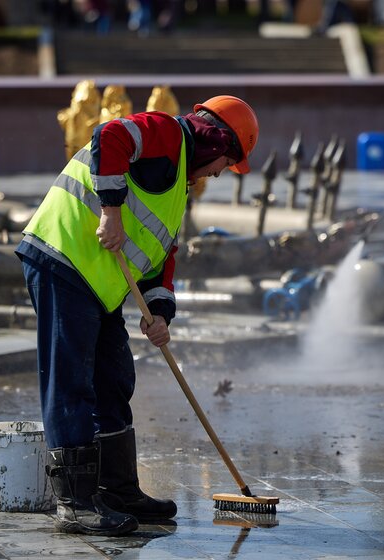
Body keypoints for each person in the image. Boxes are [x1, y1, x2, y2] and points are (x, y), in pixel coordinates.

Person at [16, 95, 259, 536]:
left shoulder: (179, 184)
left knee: (114, 377)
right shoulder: (167, 134)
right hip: (63, 255)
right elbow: (108, 136)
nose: (219, 173)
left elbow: (162, 253)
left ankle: (118, 489)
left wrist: (161, 311)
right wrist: (110, 211)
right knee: (71, 381)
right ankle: (76, 503)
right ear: (214, 140)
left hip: (101, 283)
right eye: (225, 162)